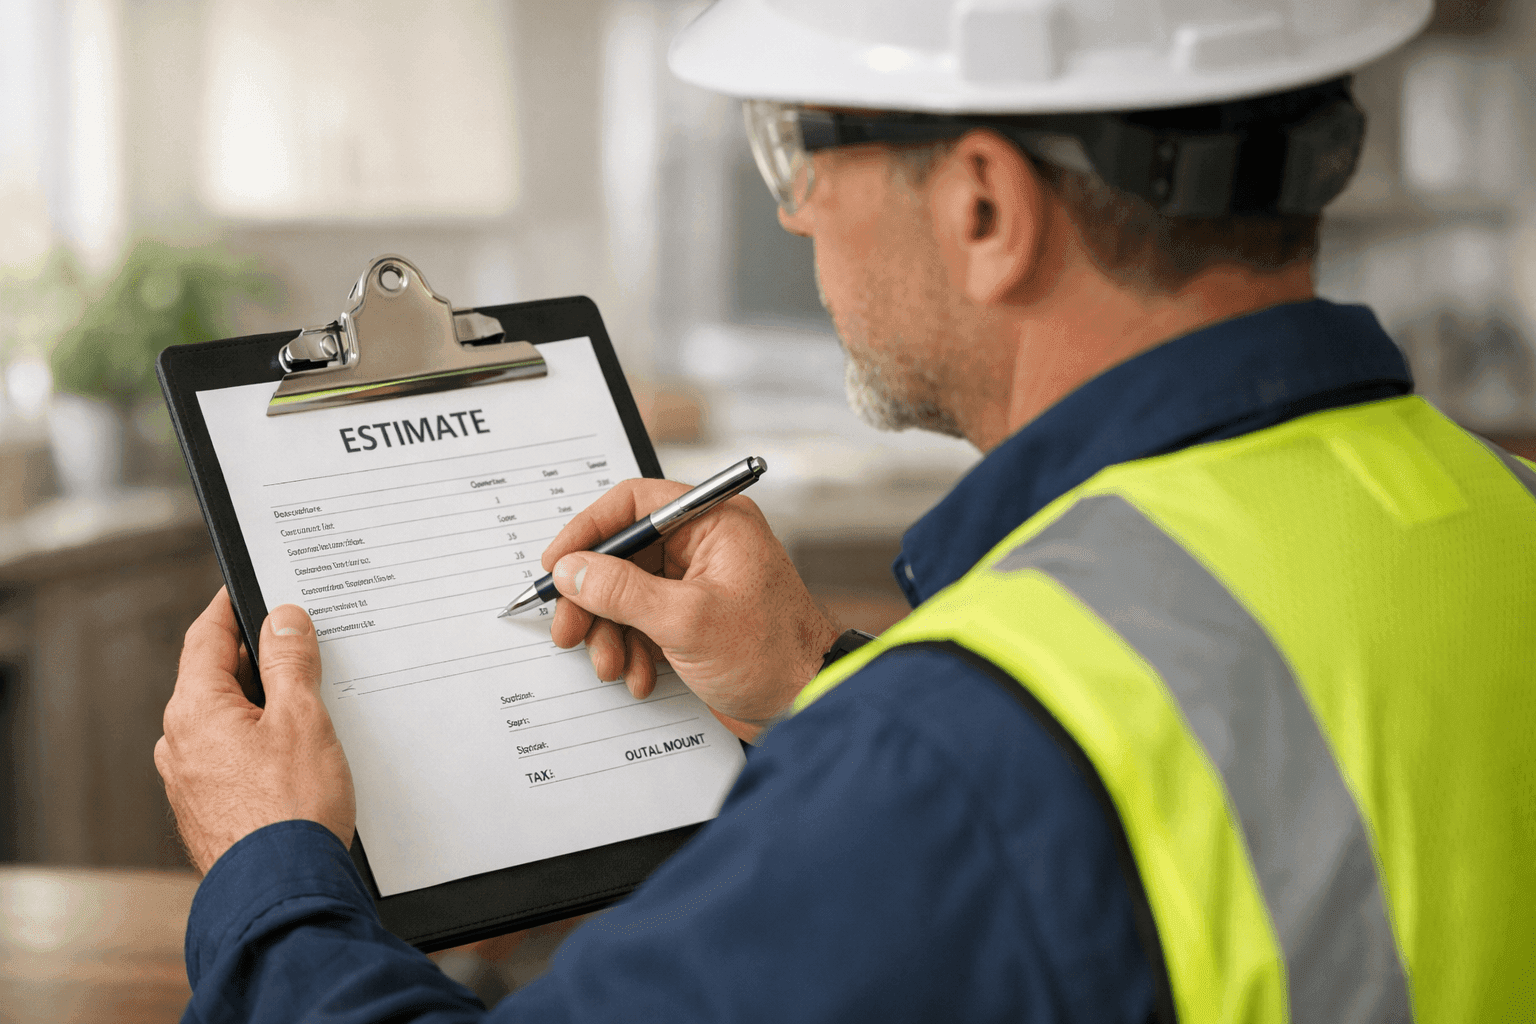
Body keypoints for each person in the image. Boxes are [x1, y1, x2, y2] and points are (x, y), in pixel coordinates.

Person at [155, 0, 1536, 1020]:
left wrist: (271, 868)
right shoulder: (1499, 512)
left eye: (796, 151)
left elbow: (1028, 802)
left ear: (987, 204)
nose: (800, 217)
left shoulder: (954, 760)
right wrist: (814, 684)